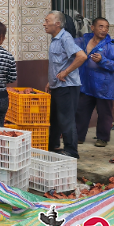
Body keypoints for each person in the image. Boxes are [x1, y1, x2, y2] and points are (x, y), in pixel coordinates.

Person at [44, 11, 88, 159]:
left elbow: (82, 56)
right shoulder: (55, 39)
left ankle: (71, 151)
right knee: (55, 117)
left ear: (57, 24)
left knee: (66, 119)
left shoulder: (66, 38)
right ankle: (53, 144)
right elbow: (58, 63)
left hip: (67, 87)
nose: (44, 24)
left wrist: (66, 72)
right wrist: (51, 81)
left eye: (47, 21)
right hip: (58, 86)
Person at [74, 17, 114, 147]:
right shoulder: (83, 40)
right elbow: (71, 46)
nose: (104, 30)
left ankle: (102, 138)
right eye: (101, 26)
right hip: (86, 83)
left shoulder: (111, 45)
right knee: (81, 110)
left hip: (103, 86)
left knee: (104, 113)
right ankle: (78, 136)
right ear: (93, 28)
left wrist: (103, 60)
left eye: (106, 27)